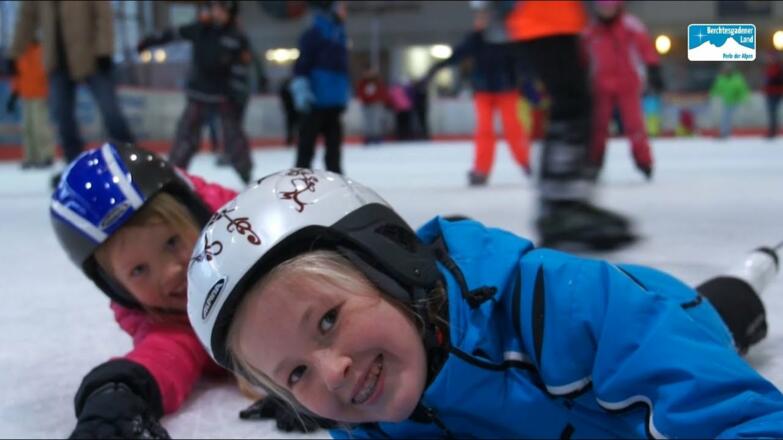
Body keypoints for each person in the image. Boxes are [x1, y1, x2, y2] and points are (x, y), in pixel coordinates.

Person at [186, 168, 783, 438]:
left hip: (670, 315)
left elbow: (742, 418)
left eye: (327, 320)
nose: (332, 370)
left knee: (725, 308)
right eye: (295, 373)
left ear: (392, 262)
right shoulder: (366, 415)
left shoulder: (556, 307)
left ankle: (761, 265)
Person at [50, 144, 322, 438]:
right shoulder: (169, 321)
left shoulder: (266, 243)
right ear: (118, 290)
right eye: (139, 270)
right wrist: (117, 396)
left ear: (197, 216)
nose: (170, 272)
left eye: (171, 242)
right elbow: (164, 356)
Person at [480, 0, 636, 250]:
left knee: (575, 105)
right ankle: (561, 206)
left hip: (552, 18)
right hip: (543, 18)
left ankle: (564, 201)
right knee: (572, 106)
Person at [8, 1, 134, 183]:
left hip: (92, 55)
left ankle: (131, 160)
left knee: (111, 112)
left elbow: (103, 14)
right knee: (62, 117)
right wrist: (15, 53)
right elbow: (27, 19)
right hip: (57, 61)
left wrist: (104, 50)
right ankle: (74, 167)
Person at [136, 0, 253, 185]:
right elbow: (172, 34)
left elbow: (243, 70)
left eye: (220, 9)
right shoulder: (201, 29)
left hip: (224, 96)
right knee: (186, 136)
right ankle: (172, 176)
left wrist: (238, 96)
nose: (216, 12)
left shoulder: (236, 37)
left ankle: (246, 174)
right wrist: (149, 41)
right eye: (214, 8)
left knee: (234, 138)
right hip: (199, 93)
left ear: (229, 12)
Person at [420, 9, 530, 186]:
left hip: (507, 90)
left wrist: (529, 84)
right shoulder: (476, 39)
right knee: (484, 131)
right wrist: (433, 70)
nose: (479, 21)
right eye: (479, 18)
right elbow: (455, 56)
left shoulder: (509, 37)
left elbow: (522, 62)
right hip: (484, 91)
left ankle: (526, 164)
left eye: (484, 17)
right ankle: (481, 170)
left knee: (513, 128)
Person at [583, 0, 662, 180]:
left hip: (628, 83)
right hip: (600, 84)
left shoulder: (630, 26)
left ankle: (644, 161)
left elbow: (646, 48)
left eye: (610, 7)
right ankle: (594, 162)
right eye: (603, 8)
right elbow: (582, 56)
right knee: (598, 126)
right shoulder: (591, 30)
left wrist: (653, 68)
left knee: (634, 125)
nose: (606, 11)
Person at [290, 1, 350, 174]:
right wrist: (301, 89)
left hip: (334, 102)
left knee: (334, 152)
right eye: (341, 7)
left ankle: (337, 184)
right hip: (315, 102)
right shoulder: (314, 34)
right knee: (306, 149)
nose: (345, 12)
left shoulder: (340, 34)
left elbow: (342, 70)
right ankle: (299, 183)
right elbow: (301, 66)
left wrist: (344, 93)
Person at [6, 38, 55, 169]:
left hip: (39, 94)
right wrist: (14, 94)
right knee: (27, 128)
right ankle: (31, 157)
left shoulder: (41, 50)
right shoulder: (20, 53)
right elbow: (17, 75)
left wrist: (49, 91)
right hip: (25, 95)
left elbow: (47, 73)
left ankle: (46, 155)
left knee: (40, 126)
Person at [710, 63, 750, 139]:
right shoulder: (721, 79)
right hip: (727, 102)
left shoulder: (737, 78)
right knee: (725, 118)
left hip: (736, 102)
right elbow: (716, 89)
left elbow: (742, 89)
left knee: (729, 118)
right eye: (725, 69)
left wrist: (744, 99)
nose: (726, 71)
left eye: (728, 69)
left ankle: (727, 132)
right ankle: (725, 132)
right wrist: (712, 95)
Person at [356, 67, 387, 145]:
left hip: (376, 104)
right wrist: (363, 99)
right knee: (367, 122)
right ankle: (368, 137)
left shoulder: (377, 81)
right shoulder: (362, 83)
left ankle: (377, 137)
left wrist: (381, 100)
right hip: (366, 104)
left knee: (376, 121)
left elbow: (382, 91)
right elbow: (360, 92)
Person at [764, 50, 783, 138]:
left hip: (776, 92)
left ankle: (773, 131)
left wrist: (773, 80)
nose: (769, 59)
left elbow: (778, 80)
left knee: (773, 112)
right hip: (770, 92)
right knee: (771, 112)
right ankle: (772, 130)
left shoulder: (779, 68)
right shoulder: (769, 67)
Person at [279, 76, 299, 147]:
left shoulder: (289, 90)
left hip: (293, 109)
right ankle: (290, 140)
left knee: (293, 125)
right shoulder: (286, 90)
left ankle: (291, 139)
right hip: (291, 109)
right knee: (292, 126)